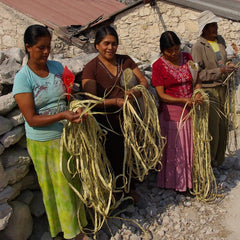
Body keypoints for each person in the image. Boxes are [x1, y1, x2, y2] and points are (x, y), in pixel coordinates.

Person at [12, 24, 88, 240]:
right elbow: (32, 119)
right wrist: (62, 116)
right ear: (28, 47)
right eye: (41, 48)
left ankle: (79, 224)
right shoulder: (23, 78)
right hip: (43, 144)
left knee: (73, 183)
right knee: (57, 189)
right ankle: (71, 233)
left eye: (49, 47)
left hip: (66, 138)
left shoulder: (56, 67)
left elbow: (69, 97)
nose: (46, 52)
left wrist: (76, 108)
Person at [81, 25, 148, 201]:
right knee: (113, 155)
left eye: (114, 43)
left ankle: (130, 187)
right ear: (97, 45)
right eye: (106, 43)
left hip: (129, 117)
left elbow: (143, 81)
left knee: (130, 152)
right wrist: (114, 102)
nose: (110, 47)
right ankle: (117, 192)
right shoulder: (91, 68)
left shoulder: (125, 61)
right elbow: (91, 100)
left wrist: (135, 92)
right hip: (107, 122)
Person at [152, 31, 202, 192]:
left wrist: (198, 93)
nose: (174, 54)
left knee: (191, 146)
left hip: (191, 109)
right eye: (169, 51)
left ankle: (191, 180)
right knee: (176, 148)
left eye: (176, 49)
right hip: (172, 113)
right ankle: (175, 182)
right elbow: (161, 95)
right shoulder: (158, 66)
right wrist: (183, 100)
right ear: (162, 50)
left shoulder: (187, 58)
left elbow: (197, 80)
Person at [191, 10, 236, 167]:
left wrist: (229, 66)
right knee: (212, 127)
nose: (215, 28)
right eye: (212, 26)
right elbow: (198, 75)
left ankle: (218, 160)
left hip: (222, 88)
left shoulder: (220, 41)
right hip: (209, 91)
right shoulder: (198, 47)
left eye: (215, 25)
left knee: (223, 124)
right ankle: (208, 162)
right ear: (204, 29)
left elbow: (223, 61)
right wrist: (220, 71)